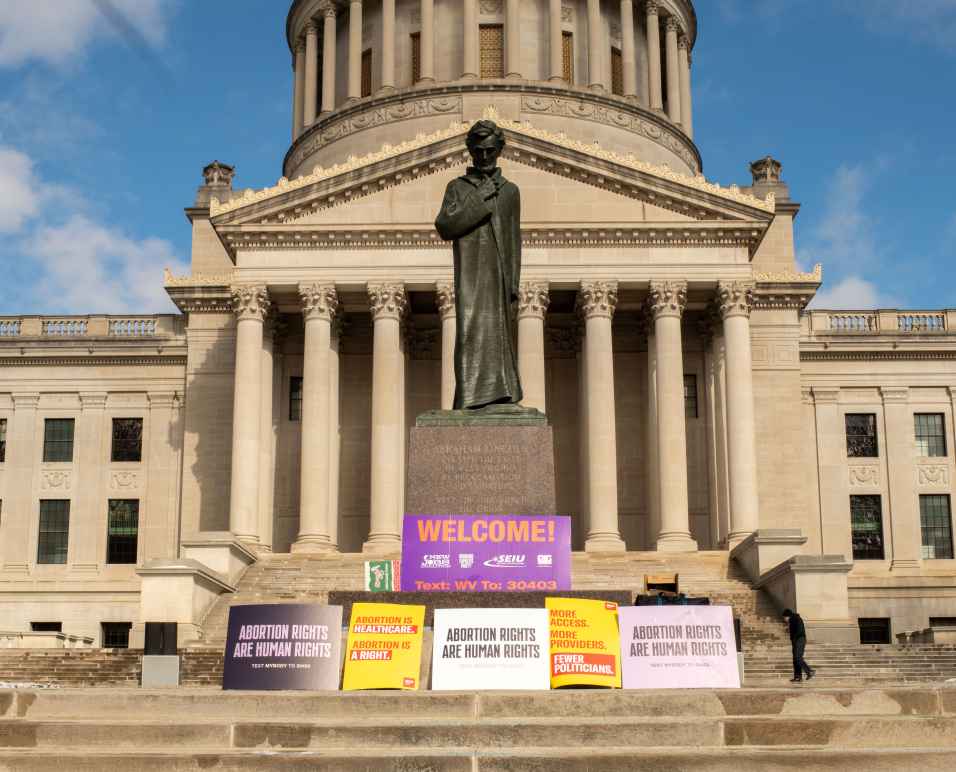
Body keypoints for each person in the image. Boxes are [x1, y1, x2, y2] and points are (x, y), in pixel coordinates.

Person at [435, 120, 523, 410]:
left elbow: (513, 239)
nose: (484, 157)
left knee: (500, 337)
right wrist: (480, 197)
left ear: (499, 151)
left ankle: (504, 392)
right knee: (469, 333)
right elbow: (446, 224)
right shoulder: (458, 188)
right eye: (479, 151)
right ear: (470, 152)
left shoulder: (510, 191)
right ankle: (470, 396)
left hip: (498, 275)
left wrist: (513, 283)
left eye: (490, 151)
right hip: (471, 275)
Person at [783, 608, 815, 683]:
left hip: (799, 640)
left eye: (784, 618)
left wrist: (789, 629)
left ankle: (809, 671)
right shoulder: (794, 619)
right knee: (795, 659)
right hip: (796, 640)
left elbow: (796, 631)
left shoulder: (793, 618)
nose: (784, 619)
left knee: (797, 657)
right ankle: (797, 677)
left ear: (787, 616)